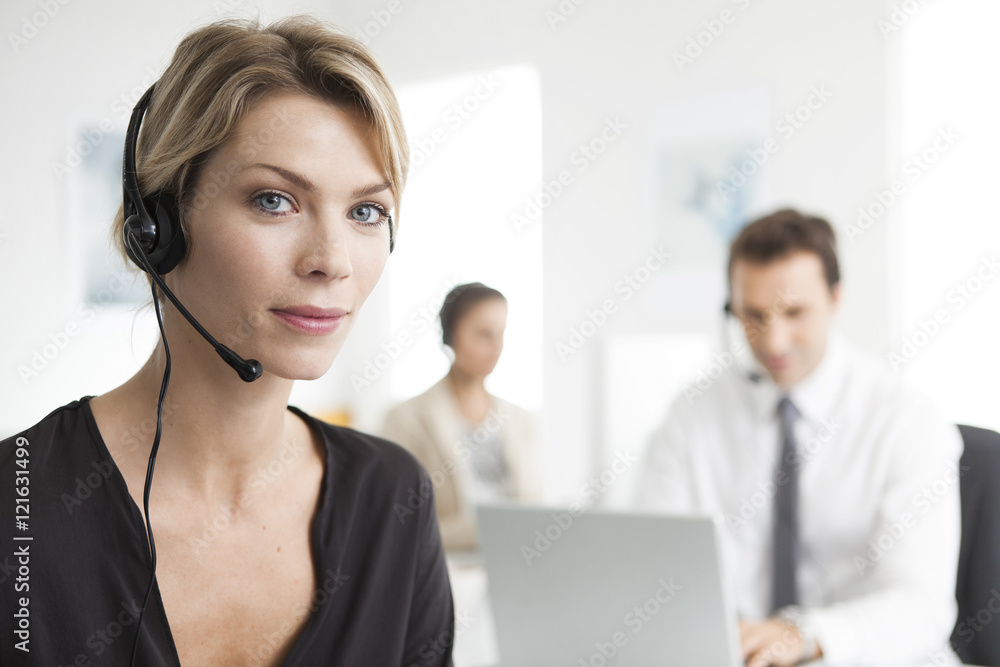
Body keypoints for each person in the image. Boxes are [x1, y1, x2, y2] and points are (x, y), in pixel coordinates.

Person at [0, 17, 454, 666]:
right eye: (274, 200)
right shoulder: (17, 507)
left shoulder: (393, 500)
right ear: (156, 225)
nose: (332, 261)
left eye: (365, 211)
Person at [637, 209, 962, 666]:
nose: (774, 342)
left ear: (835, 298)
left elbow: (921, 607)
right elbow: (653, 567)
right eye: (753, 316)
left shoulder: (906, 419)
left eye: (794, 313)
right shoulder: (691, 415)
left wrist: (802, 637)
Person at [382, 282, 542, 552]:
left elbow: (534, 505)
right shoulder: (406, 419)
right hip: (446, 563)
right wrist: (481, 530)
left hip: (518, 559)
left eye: (500, 334)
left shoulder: (519, 419)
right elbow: (398, 523)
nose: (496, 346)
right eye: (483, 334)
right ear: (451, 335)